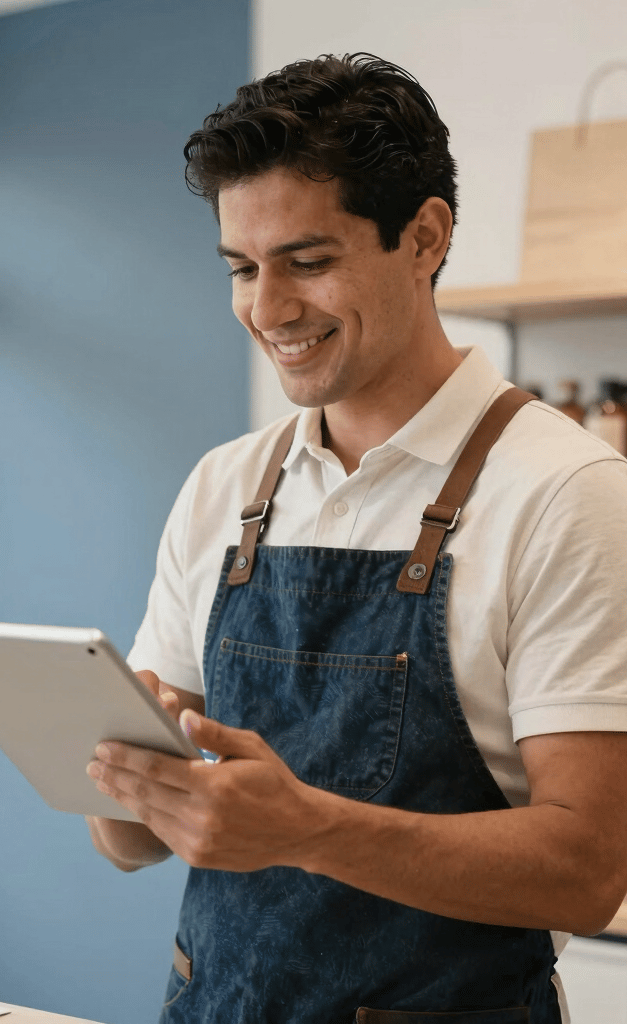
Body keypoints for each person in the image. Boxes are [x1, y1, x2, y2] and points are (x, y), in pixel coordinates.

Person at [85, 53, 627, 1024]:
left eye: (309, 260)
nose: (268, 308)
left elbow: (585, 871)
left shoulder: (566, 492)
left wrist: (305, 828)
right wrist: (129, 784)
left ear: (424, 236)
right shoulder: (225, 486)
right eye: (243, 269)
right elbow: (125, 844)